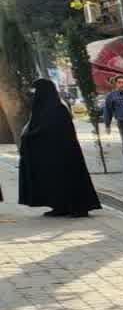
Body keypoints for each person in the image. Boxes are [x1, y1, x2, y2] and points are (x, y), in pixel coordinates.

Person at [18, 79, 102, 218]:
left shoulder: (57, 109)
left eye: (36, 91)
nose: (34, 95)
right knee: (54, 181)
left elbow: (50, 131)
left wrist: (31, 136)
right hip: (51, 155)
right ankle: (59, 206)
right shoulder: (43, 108)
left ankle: (78, 208)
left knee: (68, 180)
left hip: (64, 155)